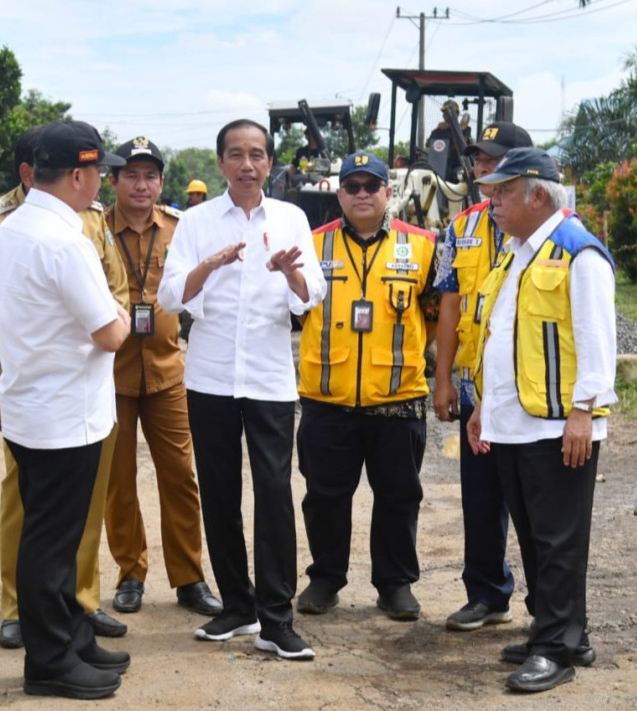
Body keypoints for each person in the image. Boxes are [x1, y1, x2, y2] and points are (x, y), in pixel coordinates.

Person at [157, 118, 325, 660]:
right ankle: (237, 606)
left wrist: (289, 275)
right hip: (208, 377)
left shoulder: (292, 217)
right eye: (236, 154)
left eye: (257, 154)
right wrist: (208, 266)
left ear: (270, 163)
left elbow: (311, 294)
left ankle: (278, 618)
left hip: (270, 379)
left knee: (274, 494)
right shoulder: (197, 222)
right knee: (220, 492)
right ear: (221, 163)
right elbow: (169, 298)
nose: (247, 164)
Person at [0, 125, 133, 653]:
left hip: (44, 401)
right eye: (100, 171)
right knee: (47, 534)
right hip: (61, 408)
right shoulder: (53, 236)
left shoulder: (21, 228)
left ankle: (72, 627)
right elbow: (110, 330)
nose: (104, 181)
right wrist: (119, 318)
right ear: (79, 174)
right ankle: (50, 651)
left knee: (59, 530)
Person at [465, 147, 616, 693]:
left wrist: (584, 411)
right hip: (513, 422)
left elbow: (598, 338)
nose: (491, 200)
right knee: (533, 537)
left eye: (502, 192)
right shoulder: (516, 253)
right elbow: (498, 336)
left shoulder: (578, 251)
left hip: (558, 425)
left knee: (558, 540)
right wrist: (484, 405)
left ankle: (557, 649)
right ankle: (559, 632)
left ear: (536, 194)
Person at [293, 151, 437, 622]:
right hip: (326, 397)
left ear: (387, 193)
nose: (360, 194)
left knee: (398, 496)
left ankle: (395, 585)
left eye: (370, 186)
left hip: (396, 400)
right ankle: (325, 578)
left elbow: (434, 315)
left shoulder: (422, 246)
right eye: (351, 187)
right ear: (338, 194)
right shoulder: (312, 246)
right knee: (324, 495)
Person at [103, 137, 221, 619]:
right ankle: (131, 572)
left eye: (150, 175)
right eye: (131, 175)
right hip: (110, 375)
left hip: (169, 372)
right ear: (113, 182)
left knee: (180, 476)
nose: (141, 184)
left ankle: (190, 576)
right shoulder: (95, 230)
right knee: (118, 479)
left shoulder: (178, 228)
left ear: (161, 183)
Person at [430, 121, 535, 633]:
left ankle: (548, 607)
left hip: (531, 392)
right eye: (478, 160)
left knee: (536, 502)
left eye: (494, 159)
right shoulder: (461, 229)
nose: (482, 168)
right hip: (476, 389)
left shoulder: (548, 226)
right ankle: (488, 593)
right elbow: (448, 308)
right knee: (481, 496)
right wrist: (443, 378)